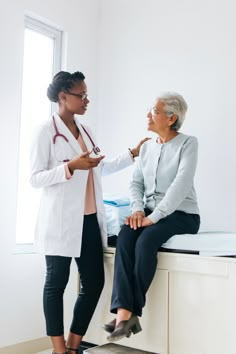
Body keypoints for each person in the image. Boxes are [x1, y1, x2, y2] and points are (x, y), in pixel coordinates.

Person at [29, 70, 148, 354]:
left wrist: (132, 153)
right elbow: (35, 178)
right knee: (55, 284)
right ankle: (59, 351)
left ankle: (73, 345)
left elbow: (99, 167)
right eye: (81, 95)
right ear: (63, 97)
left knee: (94, 283)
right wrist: (69, 167)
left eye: (86, 94)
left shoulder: (86, 131)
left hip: (89, 220)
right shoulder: (45, 131)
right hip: (59, 221)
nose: (86, 100)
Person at [103, 92, 201, 342]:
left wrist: (154, 217)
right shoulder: (146, 147)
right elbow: (135, 183)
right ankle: (125, 314)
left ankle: (128, 313)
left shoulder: (188, 143)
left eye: (155, 111)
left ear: (171, 118)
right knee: (126, 236)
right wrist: (137, 210)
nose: (148, 115)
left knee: (147, 240)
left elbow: (181, 184)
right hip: (147, 212)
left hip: (182, 214)